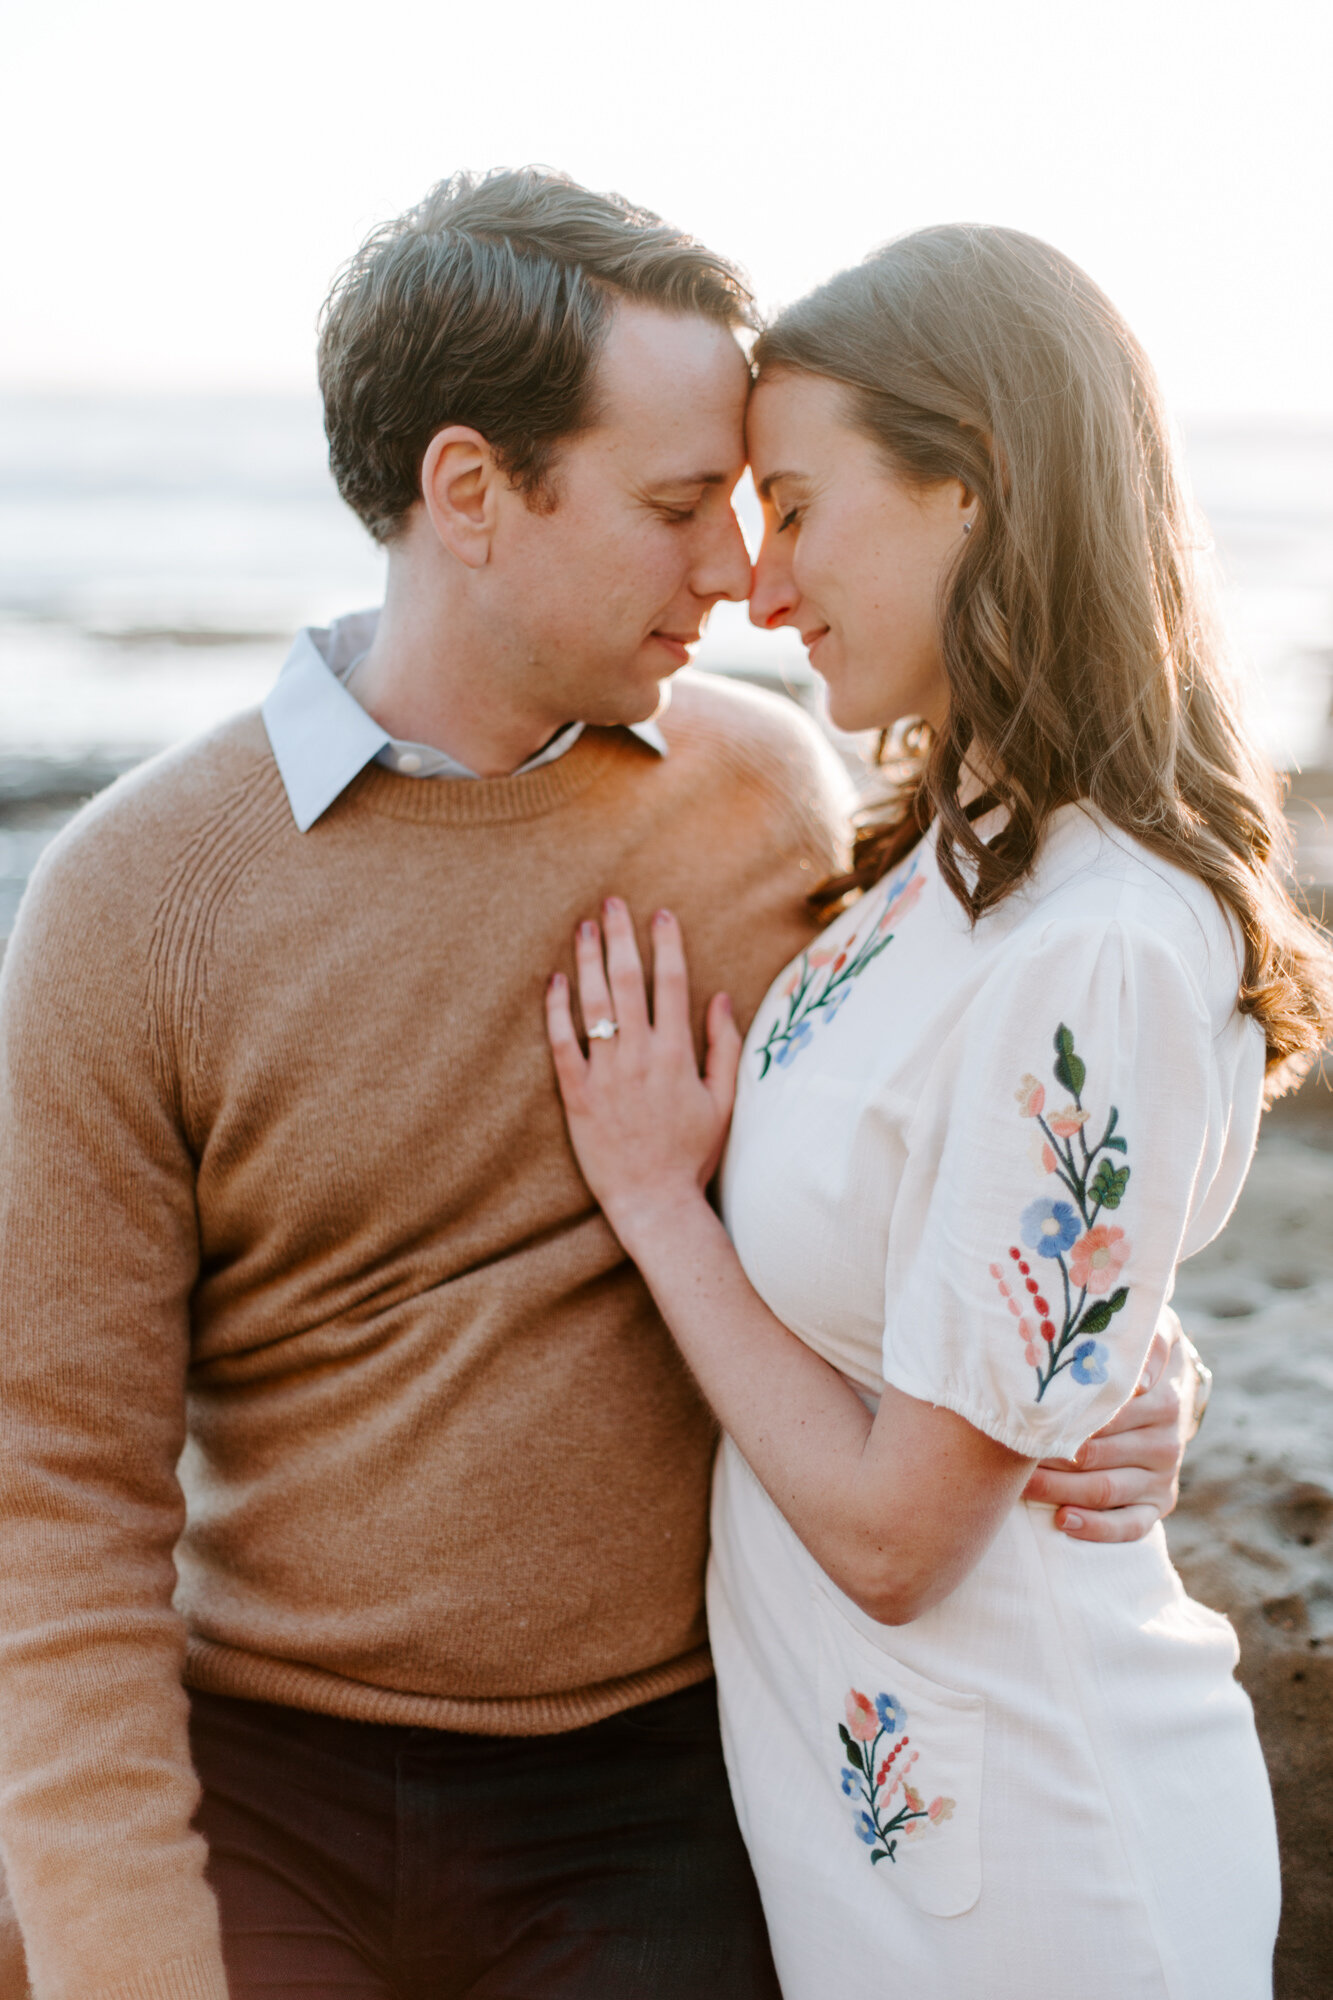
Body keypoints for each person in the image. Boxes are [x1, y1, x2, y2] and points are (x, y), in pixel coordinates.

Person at [0, 179, 1194, 2000]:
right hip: (264, 1778)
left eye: (750, 504)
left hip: (661, 1787)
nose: (735, 572)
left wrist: (1111, 1351)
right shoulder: (132, 896)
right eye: (672, 509)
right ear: (471, 494)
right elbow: (56, 1503)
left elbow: (966, 1121)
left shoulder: (772, 800)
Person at [544, 224, 1333, 1999]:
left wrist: (660, 1204)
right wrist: (1120, 1341)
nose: (760, 582)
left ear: (968, 490)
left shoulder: (1105, 933)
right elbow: (985, 1237)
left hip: (1045, 1864)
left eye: (799, 507)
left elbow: (903, 1539)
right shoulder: (949, 866)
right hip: (892, 1833)